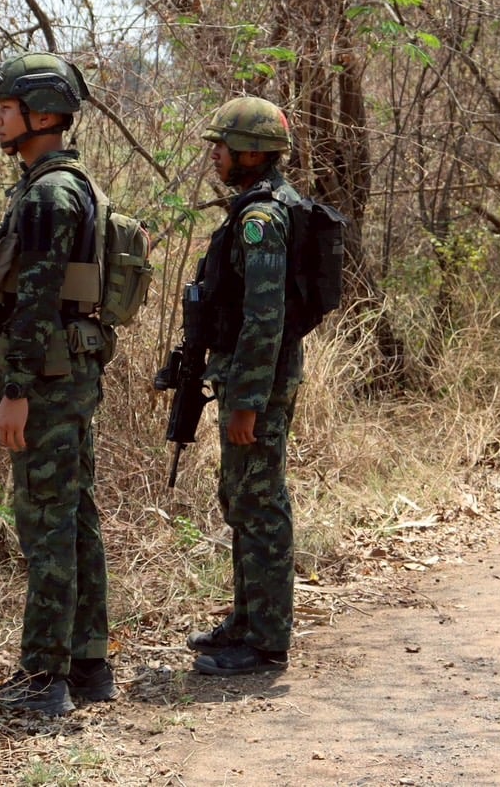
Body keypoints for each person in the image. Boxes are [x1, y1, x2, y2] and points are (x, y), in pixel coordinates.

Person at [0, 51, 116, 714]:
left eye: (6, 109)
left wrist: (15, 391)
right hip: (68, 374)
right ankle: (87, 663)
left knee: (46, 523)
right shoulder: (70, 184)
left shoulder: (46, 194)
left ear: (40, 115)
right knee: (74, 515)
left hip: (46, 380)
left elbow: (35, 302)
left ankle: (44, 677)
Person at [184, 97, 304, 676]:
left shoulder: (262, 220)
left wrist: (247, 403)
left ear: (252, 154)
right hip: (250, 376)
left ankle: (265, 642)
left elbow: (265, 318)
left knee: (259, 502)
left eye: (223, 146)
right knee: (241, 498)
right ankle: (246, 620)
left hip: (258, 381)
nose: (216, 155)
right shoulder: (258, 207)